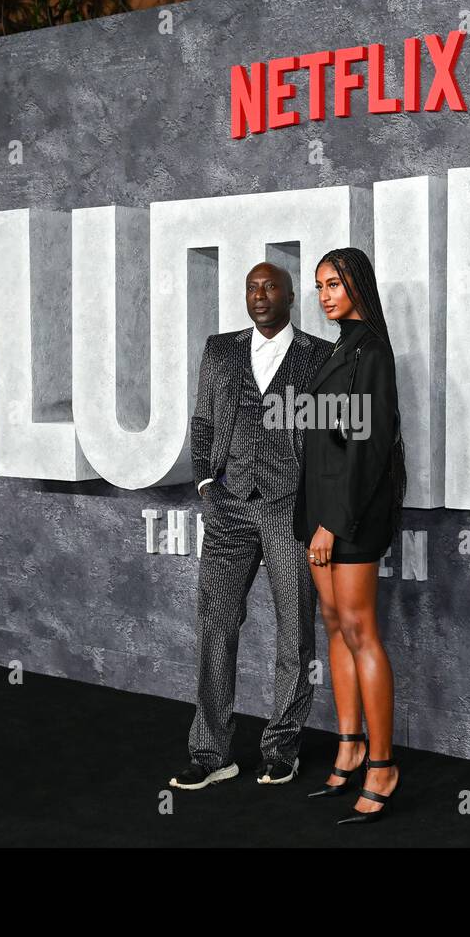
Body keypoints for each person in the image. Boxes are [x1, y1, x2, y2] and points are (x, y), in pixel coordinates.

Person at [169, 262, 334, 790]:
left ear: (290, 297)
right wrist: (204, 485)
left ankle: (281, 748)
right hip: (229, 506)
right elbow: (202, 421)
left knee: (294, 633)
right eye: (252, 288)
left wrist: (320, 505)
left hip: (291, 509)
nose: (260, 295)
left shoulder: (318, 355)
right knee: (215, 625)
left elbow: (334, 436)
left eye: (270, 288)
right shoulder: (219, 350)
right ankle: (211, 752)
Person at [292, 246, 406, 825]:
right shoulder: (337, 350)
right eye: (319, 286)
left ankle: (383, 764)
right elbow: (326, 438)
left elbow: (369, 447)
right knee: (335, 625)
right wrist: (316, 515)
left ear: (358, 284)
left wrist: (335, 522)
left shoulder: (373, 351)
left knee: (361, 629)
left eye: (334, 283)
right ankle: (350, 743)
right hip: (319, 513)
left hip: (350, 517)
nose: (325, 294)